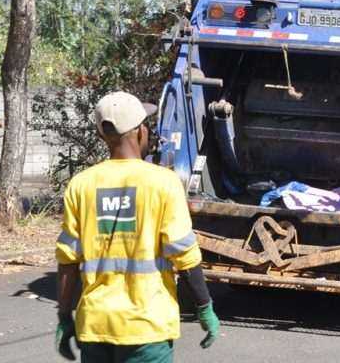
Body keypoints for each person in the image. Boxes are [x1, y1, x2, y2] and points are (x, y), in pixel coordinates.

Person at [55, 91, 220, 362]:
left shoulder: (80, 185)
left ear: (101, 136)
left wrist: (64, 317)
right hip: (147, 328)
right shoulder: (163, 183)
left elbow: (68, 260)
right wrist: (204, 307)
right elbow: (184, 254)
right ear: (141, 132)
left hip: (96, 326)